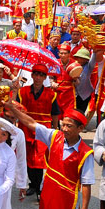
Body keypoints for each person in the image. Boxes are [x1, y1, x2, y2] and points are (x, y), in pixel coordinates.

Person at [15, 63, 60, 199]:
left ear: (45, 77)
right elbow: (15, 108)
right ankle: (33, 185)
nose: (38, 77)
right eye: (36, 74)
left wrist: (55, 129)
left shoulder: (51, 94)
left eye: (42, 75)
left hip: (43, 129)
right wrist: (14, 90)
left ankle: (39, 187)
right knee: (28, 157)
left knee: (40, 159)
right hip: (26, 127)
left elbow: (55, 113)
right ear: (32, 75)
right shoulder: (22, 92)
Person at [53, 43, 82, 116]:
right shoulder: (55, 62)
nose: (63, 55)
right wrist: (52, 83)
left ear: (69, 54)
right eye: (61, 53)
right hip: (57, 91)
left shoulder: (75, 64)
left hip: (69, 93)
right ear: (58, 54)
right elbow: (51, 77)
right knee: (57, 113)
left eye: (65, 53)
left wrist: (75, 79)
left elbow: (78, 82)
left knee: (69, 114)